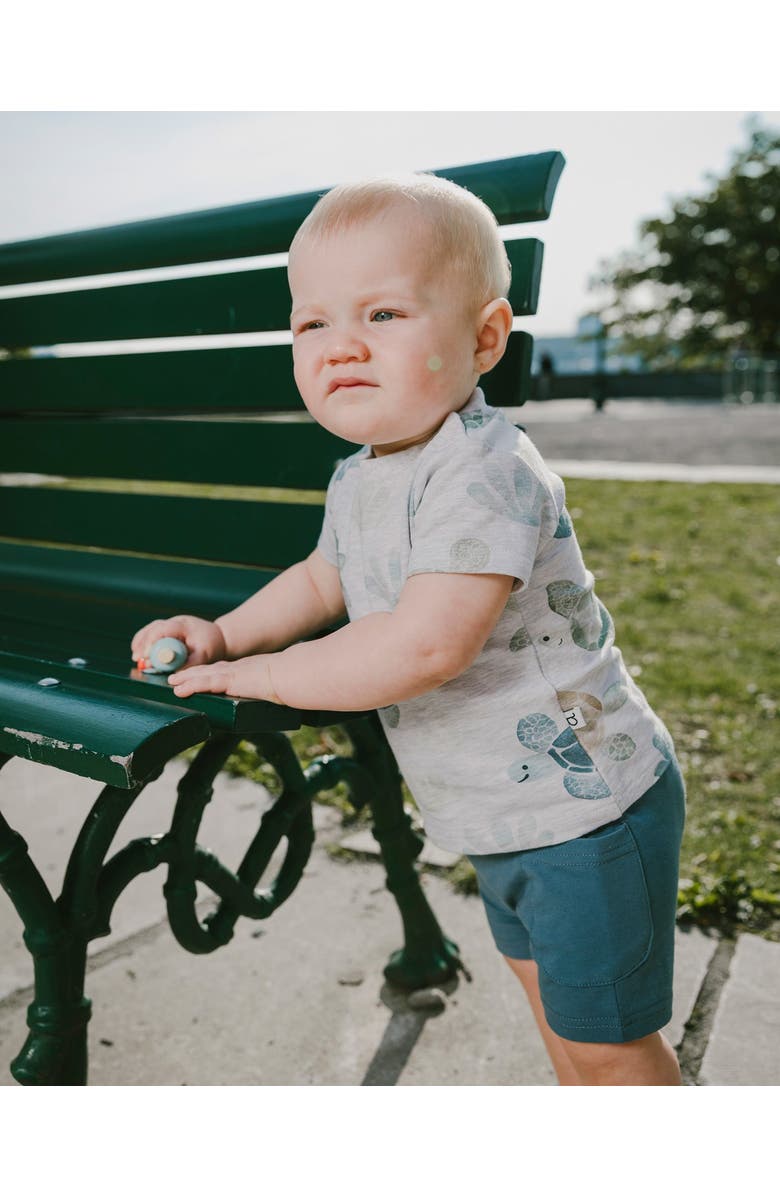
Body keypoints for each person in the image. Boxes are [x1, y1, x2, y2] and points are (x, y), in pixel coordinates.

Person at [131, 172, 686, 1086]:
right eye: (313, 323)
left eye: (383, 315)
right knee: (562, 1019)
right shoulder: (362, 476)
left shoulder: (482, 469)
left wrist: (268, 678)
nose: (341, 345)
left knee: (611, 1046)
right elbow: (325, 577)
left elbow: (427, 644)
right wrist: (228, 636)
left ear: (485, 338)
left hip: (586, 810)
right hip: (501, 812)